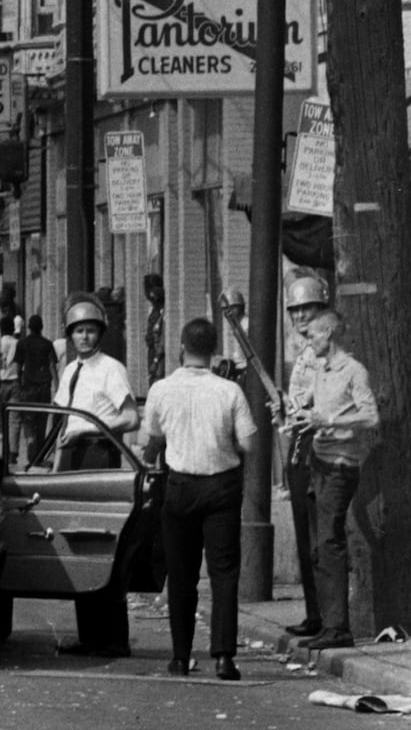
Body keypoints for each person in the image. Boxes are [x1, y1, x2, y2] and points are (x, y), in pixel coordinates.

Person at [143, 317, 258, 681]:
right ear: (213, 351)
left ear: (181, 347)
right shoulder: (229, 392)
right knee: (223, 573)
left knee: (181, 574)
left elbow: (155, 438)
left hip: (179, 487)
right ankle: (224, 656)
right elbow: (249, 443)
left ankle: (180, 656)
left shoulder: (161, 389)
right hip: (221, 487)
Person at [291, 309, 380, 651]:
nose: (308, 341)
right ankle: (327, 622)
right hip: (319, 460)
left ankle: (338, 627)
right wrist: (299, 413)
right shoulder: (321, 370)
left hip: (341, 464)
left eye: (312, 335)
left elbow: (371, 416)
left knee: (329, 541)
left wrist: (328, 419)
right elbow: (310, 406)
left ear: (328, 333)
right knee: (319, 546)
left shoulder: (353, 371)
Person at [280, 274, 330, 639]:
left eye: (307, 309)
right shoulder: (305, 351)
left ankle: (327, 616)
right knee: (304, 538)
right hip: (299, 445)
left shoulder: (328, 350)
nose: (300, 317)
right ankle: (315, 613)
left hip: (320, 447)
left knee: (320, 540)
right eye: (294, 310)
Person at [53, 297, 139, 470]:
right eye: (79, 331)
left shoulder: (111, 368)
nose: (84, 337)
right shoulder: (70, 369)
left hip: (99, 451)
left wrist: (88, 430)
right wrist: (56, 465)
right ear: (70, 335)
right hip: (70, 452)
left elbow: (131, 418)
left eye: (91, 331)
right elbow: (64, 420)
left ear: (100, 333)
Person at [12, 313, 57, 464]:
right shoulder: (48, 344)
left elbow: (18, 367)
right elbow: (52, 366)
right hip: (44, 387)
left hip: (28, 387)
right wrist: (56, 386)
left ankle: (31, 444)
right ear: (42, 327)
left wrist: (18, 384)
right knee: (42, 422)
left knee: (29, 421)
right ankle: (39, 456)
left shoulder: (22, 344)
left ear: (29, 328)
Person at [0, 316, 20, 454]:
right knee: (14, 419)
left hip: (0, 382)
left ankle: (4, 449)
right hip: (14, 380)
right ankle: (13, 451)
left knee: (2, 420)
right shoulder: (17, 342)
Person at [144, 274, 166, 388]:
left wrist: (156, 360)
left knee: (157, 381)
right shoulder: (154, 308)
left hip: (158, 354)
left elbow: (162, 337)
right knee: (152, 380)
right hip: (152, 350)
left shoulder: (162, 309)